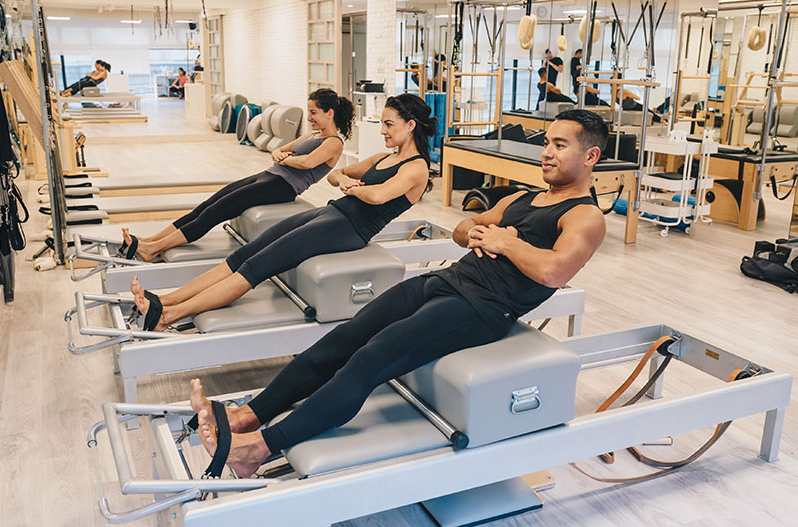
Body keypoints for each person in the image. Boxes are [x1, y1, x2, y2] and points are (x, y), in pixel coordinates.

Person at [187, 109, 608, 478]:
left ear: (590, 156)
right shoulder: (524, 197)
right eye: (547, 143)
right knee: (345, 338)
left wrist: (507, 242)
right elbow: (464, 228)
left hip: (481, 308)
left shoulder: (585, 216)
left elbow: (555, 272)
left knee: (373, 357)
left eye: (559, 144)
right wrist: (482, 232)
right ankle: (248, 415)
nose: (547, 152)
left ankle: (260, 448)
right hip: (446, 281)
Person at [131, 93, 436, 332]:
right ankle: (165, 300)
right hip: (331, 213)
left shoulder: (416, 168)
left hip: (348, 230)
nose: (382, 130)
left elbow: (377, 195)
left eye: (388, 124)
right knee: (244, 255)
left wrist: (352, 186)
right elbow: (336, 174)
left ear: (410, 126)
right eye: (382, 123)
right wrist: (346, 181)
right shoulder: (383, 157)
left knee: (257, 267)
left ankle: (168, 316)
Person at [120, 88, 354, 262]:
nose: (310, 117)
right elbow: (278, 149)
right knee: (207, 204)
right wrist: (280, 156)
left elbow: (306, 162)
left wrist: (286, 158)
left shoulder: (334, 142)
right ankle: (150, 241)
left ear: (330, 113)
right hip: (270, 175)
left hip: (283, 186)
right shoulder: (312, 136)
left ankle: (151, 250)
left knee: (214, 213)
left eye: (314, 113)